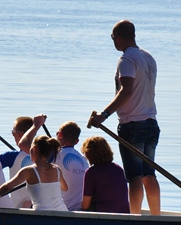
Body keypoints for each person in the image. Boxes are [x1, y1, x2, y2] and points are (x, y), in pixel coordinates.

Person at [88, 19, 161, 215]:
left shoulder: (127, 59)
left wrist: (104, 115)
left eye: (113, 37)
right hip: (151, 122)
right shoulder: (148, 57)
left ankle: (134, 218)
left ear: (118, 37)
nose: (113, 41)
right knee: (149, 174)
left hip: (132, 124)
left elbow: (126, 91)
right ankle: (156, 216)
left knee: (135, 176)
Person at [0, 136, 68, 211]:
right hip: (63, 212)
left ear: (34, 149)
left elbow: (8, 186)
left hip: (41, 215)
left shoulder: (28, 171)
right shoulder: (57, 169)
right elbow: (65, 188)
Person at [0, 115, 47, 208]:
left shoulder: (11, 156)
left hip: (18, 209)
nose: (12, 135)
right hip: (39, 205)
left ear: (20, 134)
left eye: (13, 133)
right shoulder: (45, 155)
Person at [80, 136, 130, 213]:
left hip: (104, 214)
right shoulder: (119, 169)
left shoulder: (91, 172)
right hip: (123, 212)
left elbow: (85, 205)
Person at [53, 121, 88, 211]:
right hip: (79, 209)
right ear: (76, 141)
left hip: (61, 209)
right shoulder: (84, 160)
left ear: (59, 134)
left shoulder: (54, 155)